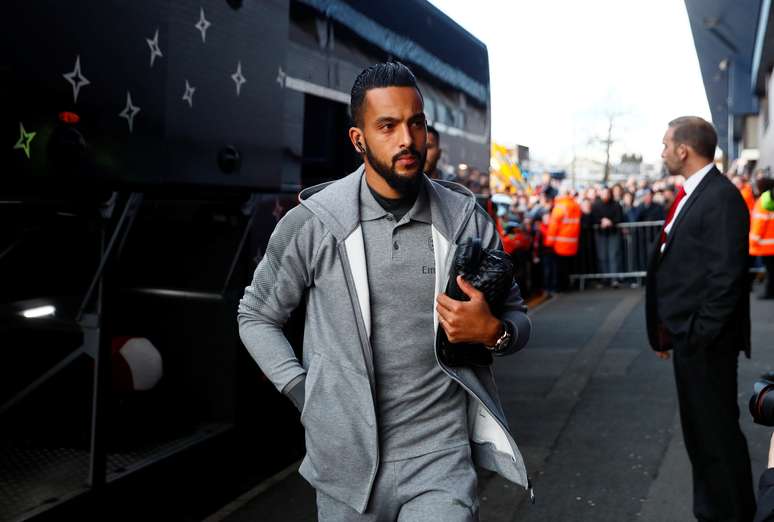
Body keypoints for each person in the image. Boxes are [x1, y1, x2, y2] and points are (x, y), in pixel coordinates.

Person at [237, 62, 532, 521]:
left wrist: (494, 332)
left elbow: (516, 316)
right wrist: (303, 392)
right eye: (388, 126)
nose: (407, 139)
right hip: (344, 466)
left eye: (416, 123)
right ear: (359, 140)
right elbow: (256, 315)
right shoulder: (314, 224)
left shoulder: (464, 220)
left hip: (441, 460)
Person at [645, 116, 755, 521]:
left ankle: (730, 513)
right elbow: (682, 268)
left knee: (716, 438)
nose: (662, 152)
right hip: (690, 339)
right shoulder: (697, 193)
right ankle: (715, 510)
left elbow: (725, 278)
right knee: (702, 436)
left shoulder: (720, 198)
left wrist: (696, 334)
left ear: (683, 150)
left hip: (706, 344)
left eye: (665, 144)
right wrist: (668, 330)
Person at [545, 188, 581, 292]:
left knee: (559, 268)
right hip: (572, 242)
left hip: (560, 243)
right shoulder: (575, 205)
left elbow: (553, 226)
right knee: (568, 267)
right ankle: (567, 286)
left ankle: (560, 287)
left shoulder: (560, 206)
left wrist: (549, 243)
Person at [591, 186, 624, 286]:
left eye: (607, 193)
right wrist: (602, 221)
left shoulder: (616, 205)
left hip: (613, 232)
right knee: (602, 256)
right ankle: (605, 278)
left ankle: (614, 279)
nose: (605, 195)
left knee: (613, 255)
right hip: (600, 233)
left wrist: (610, 222)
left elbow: (619, 217)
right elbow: (593, 218)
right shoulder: (596, 205)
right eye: (604, 193)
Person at [750, 178, 774, 299]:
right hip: (771, 242)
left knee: (770, 271)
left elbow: (759, 223)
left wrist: (753, 240)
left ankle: (769, 293)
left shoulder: (763, 201)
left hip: (766, 244)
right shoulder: (771, 199)